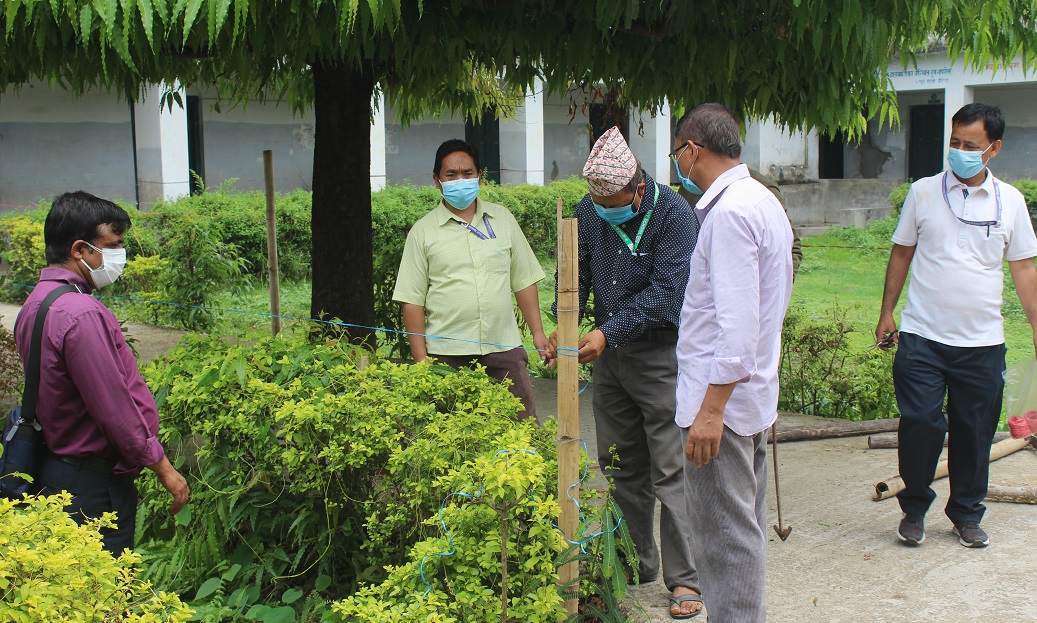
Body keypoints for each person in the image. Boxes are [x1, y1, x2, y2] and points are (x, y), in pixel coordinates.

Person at [545, 126, 703, 619]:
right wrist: (564, 328)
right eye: (596, 199)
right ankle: (636, 563)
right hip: (609, 361)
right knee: (619, 466)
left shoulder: (676, 215)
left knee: (672, 468)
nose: (602, 207)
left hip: (662, 357)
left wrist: (607, 333)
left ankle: (684, 580)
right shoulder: (589, 212)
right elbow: (575, 276)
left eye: (612, 199)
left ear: (637, 187)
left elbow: (667, 294)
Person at [875, 103, 1037, 549]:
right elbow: (902, 251)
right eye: (955, 142)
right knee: (921, 424)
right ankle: (913, 509)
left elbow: (1023, 268)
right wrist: (887, 312)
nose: (959, 151)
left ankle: (966, 513)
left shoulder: (1010, 202)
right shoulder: (923, 193)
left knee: (974, 432)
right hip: (923, 337)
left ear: (994, 149)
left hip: (983, 343)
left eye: (971, 145)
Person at [14, 191, 190, 556]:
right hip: (91, 485)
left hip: (54, 470)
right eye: (113, 245)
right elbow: (114, 408)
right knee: (104, 591)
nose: (119, 256)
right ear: (80, 250)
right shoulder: (82, 313)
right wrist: (163, 469)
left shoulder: (35, 303)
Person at [673, 103, 794, 622]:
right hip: (748, 399)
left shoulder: (730, 213)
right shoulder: (761, 201)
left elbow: (737, 329)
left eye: (678, 153)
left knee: (725, 537)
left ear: (693, 150)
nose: (678, 164)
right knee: (740, 525)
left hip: (722, 405)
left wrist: (709, 411)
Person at [393, 139, 547, 420]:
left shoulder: (503, 219)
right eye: (451, 175)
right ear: (437, 181)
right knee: (454, 443)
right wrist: (421, 362)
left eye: (467, 173)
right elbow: (412, 300)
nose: (460, 180)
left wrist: (538, 334)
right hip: (446, 356)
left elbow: (523, 279)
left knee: (523, 433)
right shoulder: (423, 232)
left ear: (479, 176)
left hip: (503, 350)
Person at [678, 169, 802, 278]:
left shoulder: (761, 188)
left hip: (744, 292)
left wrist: (772, 292)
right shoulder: (690, 187)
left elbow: (791, 245)